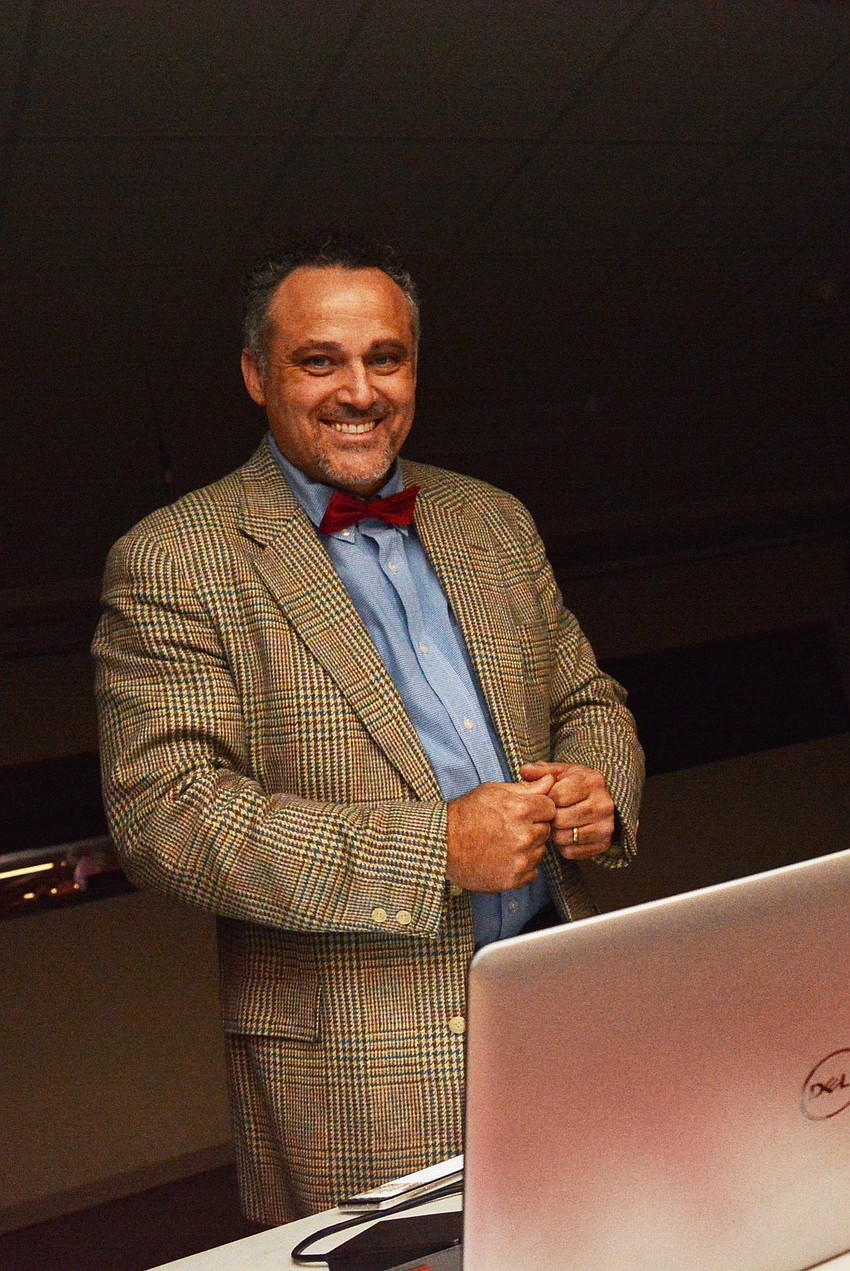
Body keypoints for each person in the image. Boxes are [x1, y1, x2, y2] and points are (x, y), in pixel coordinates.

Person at [92, 235, 643, 1225]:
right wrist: (435, 848)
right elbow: (165, 816)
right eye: (320, 361)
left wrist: (599, 786)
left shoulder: (495, 520)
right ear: (257, 374)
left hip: (567, 1009)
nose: (359, 391)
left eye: (385, 358)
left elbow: (588, 699)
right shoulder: (173, 558)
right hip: (358, 1070)